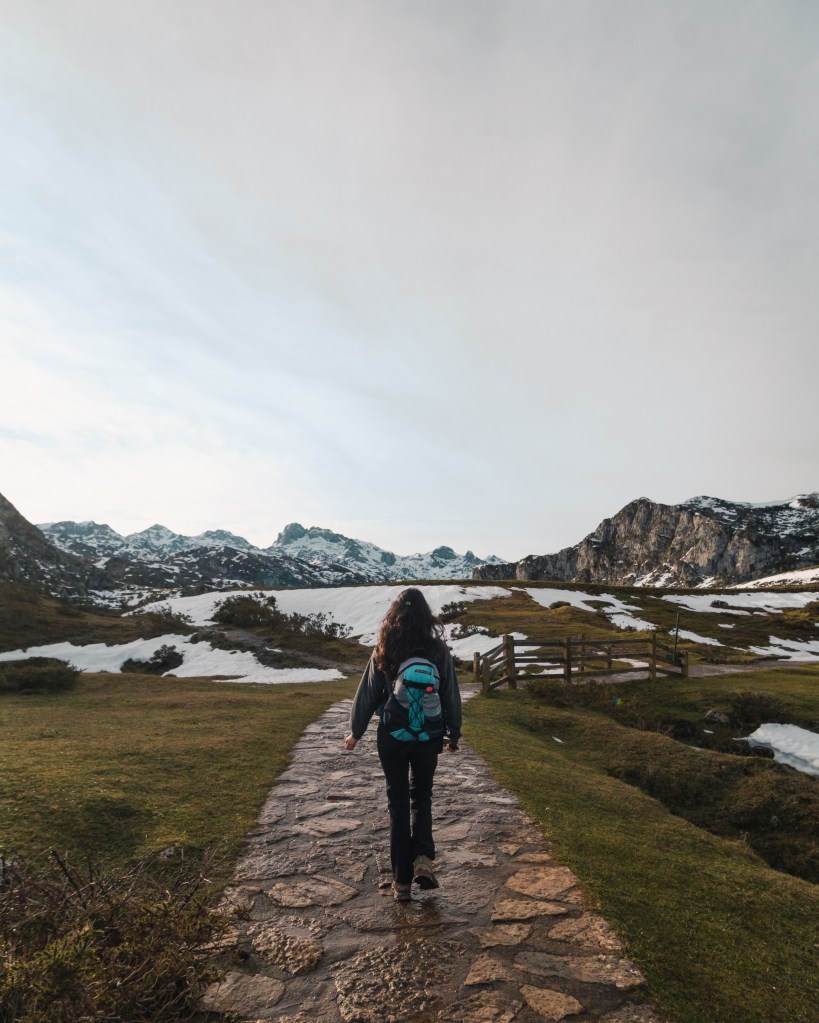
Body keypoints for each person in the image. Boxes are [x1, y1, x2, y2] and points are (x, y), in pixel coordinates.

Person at [344, 588, 462, 902]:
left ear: (395, 614)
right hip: (428, 737)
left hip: (392, 736)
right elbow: (450, 692)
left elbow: (368, 692)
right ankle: (423, 859)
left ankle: (401, 883)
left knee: (397, 805)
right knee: (421, 796)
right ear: (427, 616)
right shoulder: (437, 650)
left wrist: (355, 733)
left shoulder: (385, 647)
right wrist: (454, 733)